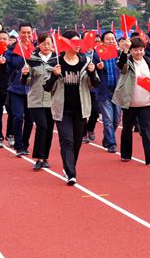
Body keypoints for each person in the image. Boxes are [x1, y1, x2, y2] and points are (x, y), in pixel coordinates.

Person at [43, 31, 99, 185]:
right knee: (67, 140)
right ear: (66, 43)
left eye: (79, 42)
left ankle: (69, 166)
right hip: (62, 109)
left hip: (80, 108)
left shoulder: (86, 61)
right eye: (74, 42)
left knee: (77, 142)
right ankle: (70, 172)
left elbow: (95, 84)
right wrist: (54, 75)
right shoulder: (55, 63)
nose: (78, 45)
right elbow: (46, 87)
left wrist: (92, 72)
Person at [113, 36, 150, 165]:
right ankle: (126, 154)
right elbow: (121, 65)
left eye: (141, 49)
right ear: (131, 50)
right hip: (130, 103)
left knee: (146, 129)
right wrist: (125, 51)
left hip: (146, 102)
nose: (138, 52)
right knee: (127, 129)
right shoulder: (127, 62)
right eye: (135, 50)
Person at [23, 33, 58, 171]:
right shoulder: (32, 60)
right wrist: (25, 74)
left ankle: (45, 158)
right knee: (41, 126)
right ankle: (38, 158)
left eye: (49, 43)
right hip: (36, 100)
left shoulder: (57, 60)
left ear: (52, 45)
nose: (46, 46)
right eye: (43, 44)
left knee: (49, 129)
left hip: (53, 100)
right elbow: (27, 82)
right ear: (39, 45)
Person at [6, 23, 34, 156]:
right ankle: (18, 145)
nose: (26, 35)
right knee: (17, 116)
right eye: (23, 32)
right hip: (16, 88)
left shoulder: (35, 49)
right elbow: (7, 66)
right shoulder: (12, 49)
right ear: (19, 32)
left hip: (32, 88)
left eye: (29, 32)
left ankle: (25, 144)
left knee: (29, 119)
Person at [96, 31, 121, 153]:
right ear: (102, 42)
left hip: (117, 91)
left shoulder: (119, 54)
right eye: (108, 39)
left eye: (113, 39)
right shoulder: (97, 55)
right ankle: (112, 143)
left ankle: (107, 137)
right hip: (104, 90)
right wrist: (97, 68)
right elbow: (91, 72)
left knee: (117, 120)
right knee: (108, 119)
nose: (111, 41)